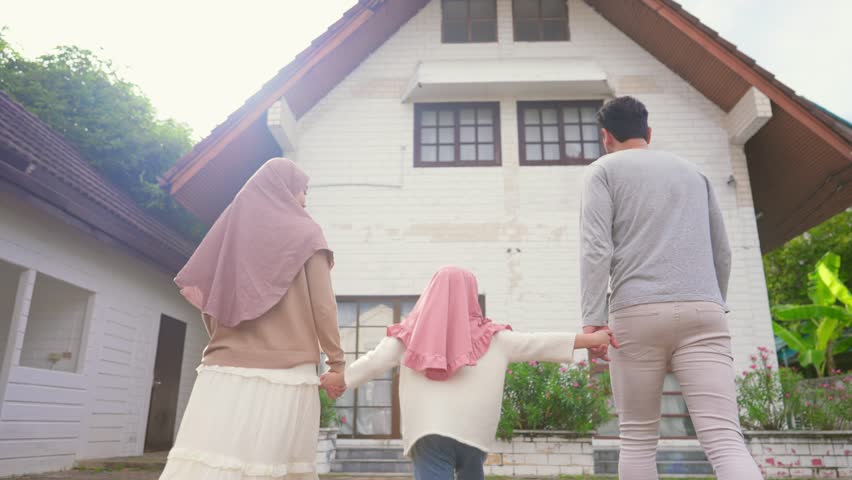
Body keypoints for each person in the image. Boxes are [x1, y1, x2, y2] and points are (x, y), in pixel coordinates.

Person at [579, 96, 763, 479]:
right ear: (648, 132)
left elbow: (597, 250)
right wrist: (714, 303)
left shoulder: (603, 171)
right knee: (726, 440)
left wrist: (593, 320)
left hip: (635, 312)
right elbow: (723, 251)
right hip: (704, 311)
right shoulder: (695, 174)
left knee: (637, 439)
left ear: (606, 137)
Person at [160, 157, 346, 480]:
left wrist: (225, 342)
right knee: (273, 470)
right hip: (286, 375)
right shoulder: (306, 233)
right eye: (303, 190)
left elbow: (209, 299)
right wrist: (337, 364)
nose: (304, 199)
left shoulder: (230, 232)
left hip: (221, 374)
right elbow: (324, 307)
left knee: (209, 466)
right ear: (284, 188)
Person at [341, 266, 613, 480]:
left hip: (428, 432)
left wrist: (337, 379)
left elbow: (372, 362)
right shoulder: (495, 339)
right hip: (473, 434)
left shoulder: (406, 336)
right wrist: (592, 339)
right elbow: (538, 343)